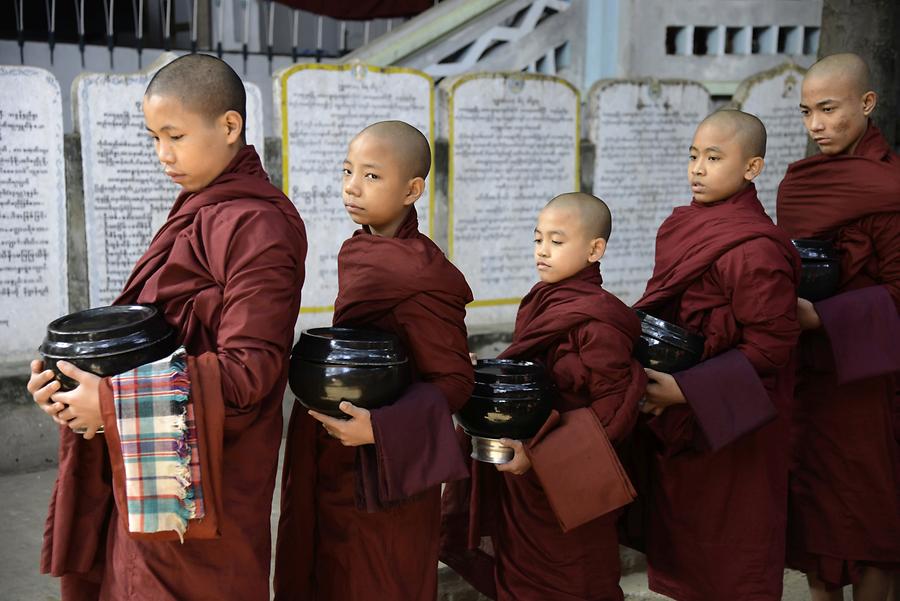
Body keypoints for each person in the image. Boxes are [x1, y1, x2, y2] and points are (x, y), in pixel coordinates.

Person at [27, 53, 307, 600]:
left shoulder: (260, 225)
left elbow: (252, 372)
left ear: (230, 126)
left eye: (174, 135)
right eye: (154, 137)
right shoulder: (202, 207)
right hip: (148, 465)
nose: (163, 154)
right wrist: (71, 385)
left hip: (206, 490)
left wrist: (108, 403)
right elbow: (151, 336)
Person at [274, 120, 474, 601]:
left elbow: (455, 380)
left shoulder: (424, 273)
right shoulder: (362, 250)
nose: (351, 186)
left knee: (375, 579)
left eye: (371, 176)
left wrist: (379, 430)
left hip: (388, 467)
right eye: (348, 171)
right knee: (323, 567)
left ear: (413, 189)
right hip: (333, 450)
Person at [441, 192, 647, 601]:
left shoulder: (600, 320)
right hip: (525, 477)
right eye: (538, 240)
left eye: (557, 241)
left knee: (576, 582)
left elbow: (613, 414)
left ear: (594, 249)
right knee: (522, 581)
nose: (543, 251)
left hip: (570, 476)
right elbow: (530, 372)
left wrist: (540, 455)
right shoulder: (539, 300)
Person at [632, 110, 801, 601]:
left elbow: (773, 347)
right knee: (686, 548)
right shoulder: (682, 225)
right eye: (693, 156)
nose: (698, 169)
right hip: (684, 414)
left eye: (714, 157)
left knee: (733, 551)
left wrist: (685, 390)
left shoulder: (756, 249)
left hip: (734, 419)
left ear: (752, 168)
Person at [777, 52, 900, 601]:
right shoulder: (801, 185)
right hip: (812, 379)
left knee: (873, 517)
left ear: (867, 104)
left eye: (829, 109)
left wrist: (820, 316)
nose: (817, 126)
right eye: (806, 113)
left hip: (872, 381)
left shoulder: (890, 189)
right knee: (815, 511)